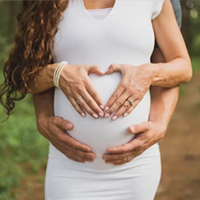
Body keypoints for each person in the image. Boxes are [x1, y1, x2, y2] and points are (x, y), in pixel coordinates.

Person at [0, 0, 192, 199]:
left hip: (135, 168)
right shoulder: (45, 3)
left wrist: (148, 74)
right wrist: (58, 73)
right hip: (69, 167)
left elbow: (182, 67)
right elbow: (23, 79)